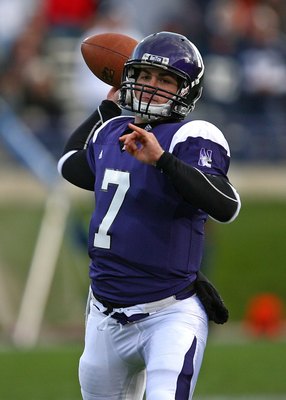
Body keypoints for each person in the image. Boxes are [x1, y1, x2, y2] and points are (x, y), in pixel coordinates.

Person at [58, 31, 241, 400]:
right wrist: (105, 110)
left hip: (168, 313)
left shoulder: (193, 134)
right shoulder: (112, 131)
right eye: (144, 76)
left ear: (186, 90)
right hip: (104, 316)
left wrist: (163, 160)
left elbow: (226, 206)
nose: (152, 86)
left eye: (166, 79)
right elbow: (69, 165)